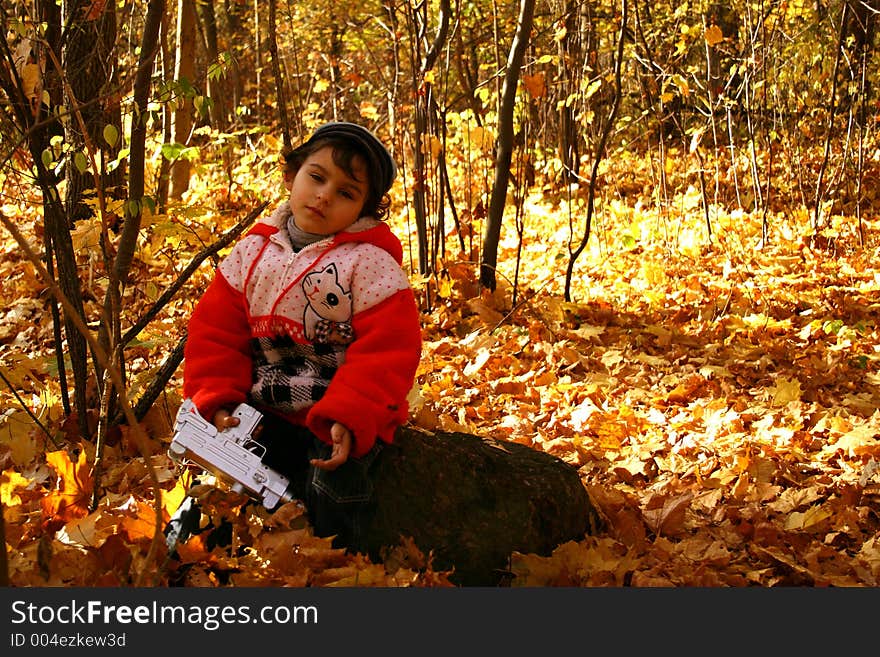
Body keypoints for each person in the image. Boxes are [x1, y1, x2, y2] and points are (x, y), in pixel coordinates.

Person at [181, 122, 422, 547]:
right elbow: (216, 333)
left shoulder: (368, 264)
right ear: (292, 176)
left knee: (334, 493)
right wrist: (218, 399)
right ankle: (194, 559)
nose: (325, 195)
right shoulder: (251, 253)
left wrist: (351, 416)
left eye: (346, 193)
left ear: (365, 209)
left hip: (330, 418)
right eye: (317, 177)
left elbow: (389, 350)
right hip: (258, 411)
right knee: (218, 495)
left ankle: (338, 565)